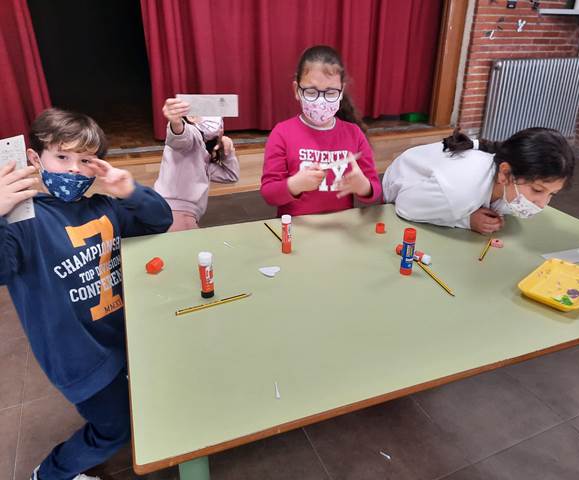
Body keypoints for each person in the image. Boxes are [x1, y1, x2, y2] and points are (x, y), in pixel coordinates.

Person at [0, 108, 172, 480]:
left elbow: (159, 220)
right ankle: (50, 474)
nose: (73, 170)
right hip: (77, 355)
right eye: (62, 157)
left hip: (122, 336)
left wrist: (129, 190)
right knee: (114, 428)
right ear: (35, 158)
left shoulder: (105, 206)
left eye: (85, 160)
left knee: (131, 403)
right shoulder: (21, 223)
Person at [260, 45, 382, 216]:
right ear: (297, 90)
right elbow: (269, 194)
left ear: (341, 92)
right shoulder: (282, 133)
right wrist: (294, 185)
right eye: (311, 92)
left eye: (330, 93)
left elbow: (375, 189)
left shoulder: (354, 134)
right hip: (296, 227)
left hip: (341, 226)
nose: (321, 100)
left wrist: (364, 187)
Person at [382, 128, 575, 234]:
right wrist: (466, 220)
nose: (542, 204)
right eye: (537, 190)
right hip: (400, 192)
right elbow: (405, 206)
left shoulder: (506, 184)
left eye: (552, 194)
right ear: (505, 173)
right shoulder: (458, 193)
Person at [154, 97, 239, 231]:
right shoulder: (192, 136)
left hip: (184, 214)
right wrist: (176, 122)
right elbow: (180, 137)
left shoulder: (203, 157)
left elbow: (231, 176)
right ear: (191, 118)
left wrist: (227, 152)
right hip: (174, 212)